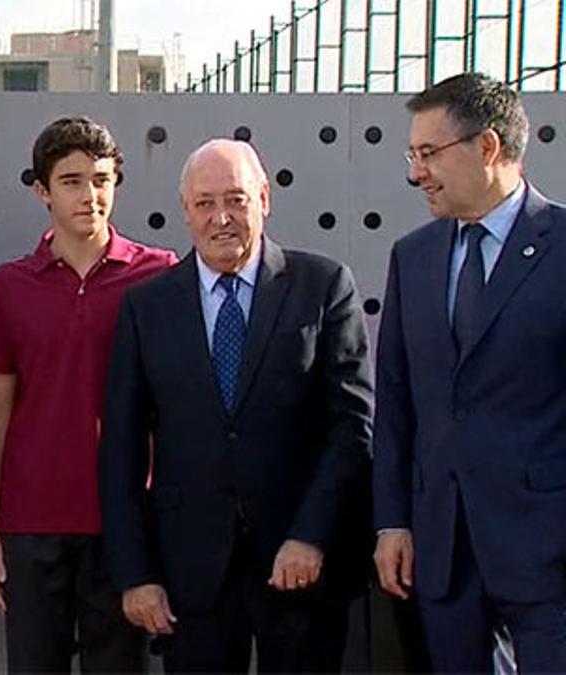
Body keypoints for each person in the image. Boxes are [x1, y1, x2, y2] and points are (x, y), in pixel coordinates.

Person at [99, 138, 373, 672]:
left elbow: (352, 427)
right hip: (189, 570)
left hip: (300, 563)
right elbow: (122, 449)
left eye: (236, 199)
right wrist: (136, 575)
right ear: (186, 210)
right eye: (205, 203)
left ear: (264, 199)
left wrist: (310, 535)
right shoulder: (147, 306)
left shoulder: (322, 286)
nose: (221, 218)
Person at [373, 72, 566, 673]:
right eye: (413, 154)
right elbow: (398, 401)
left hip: (547, 556)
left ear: (487, 148)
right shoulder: (414, 256)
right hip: (443, 554)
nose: (415, 172)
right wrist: (394, 522)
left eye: (429, 153)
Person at [0, 116, 177, 673]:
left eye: (102, 178)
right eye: (71, 181)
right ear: (42, 191)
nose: (90, 195)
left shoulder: (159, 275)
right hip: (32, 521)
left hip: (126, 520)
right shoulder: (12, 284)